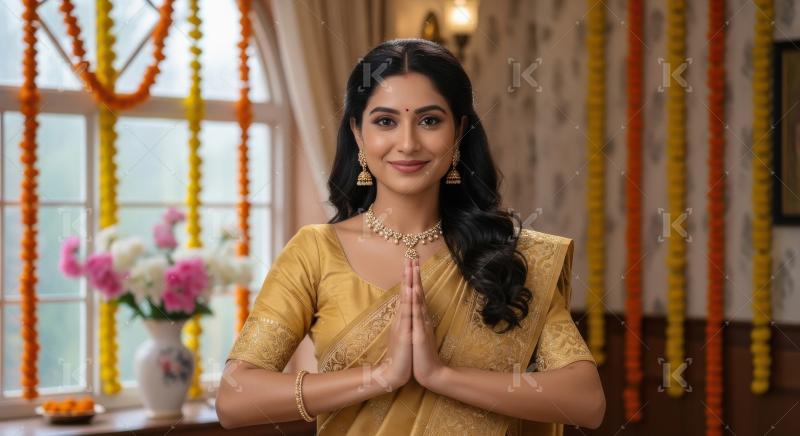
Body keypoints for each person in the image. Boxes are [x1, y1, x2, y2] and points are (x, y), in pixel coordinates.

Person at [216, 38, 605, 435]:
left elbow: (586, 401)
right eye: (386, 121)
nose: (407, 143)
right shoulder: (316, 252)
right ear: (357, 133)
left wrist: (440, 375)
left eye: (429, 120)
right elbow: (234, 398)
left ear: (459, 133)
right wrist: (382, 376)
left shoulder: (509, 255)